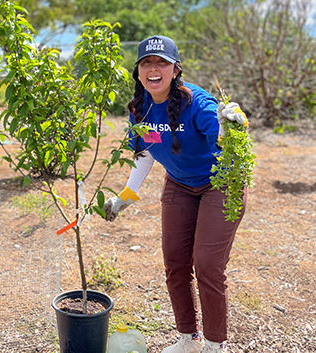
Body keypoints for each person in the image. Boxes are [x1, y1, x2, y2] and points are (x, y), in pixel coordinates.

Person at [103, 35, 248, 353]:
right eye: (146, 63)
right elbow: (145, 155)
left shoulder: (197, 102)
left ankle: (214, 344)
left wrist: (234, 126)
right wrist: (124, 198)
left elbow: (224, 138)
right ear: (138, 71)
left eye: (161, 63)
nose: (154, 69)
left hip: (220, 184)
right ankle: (188, 339)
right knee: (175, 262)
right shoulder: (139, 110)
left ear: (175, 69)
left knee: (207, 263)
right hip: (180, 185)